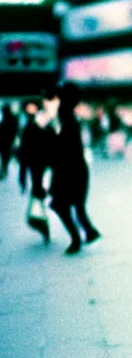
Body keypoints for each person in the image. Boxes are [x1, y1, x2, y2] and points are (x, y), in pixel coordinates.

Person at [47, 84, 102, 254]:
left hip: (69, 172)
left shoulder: (68, 124)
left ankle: (78, 238)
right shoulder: (69, 123)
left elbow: (64, 151)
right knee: (76, 206)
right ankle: (89, 232)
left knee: (61, 205)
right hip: (75, 171)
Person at [18, 100, 51, 242]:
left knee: (38, 193)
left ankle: (42, 222)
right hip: (38, 167)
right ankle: (42, 221)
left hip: (42, 167)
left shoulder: (37, 128)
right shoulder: (32, 129)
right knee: (38, 193)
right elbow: (25, 153)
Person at [0, 103, 19, 180]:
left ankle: (4, 170)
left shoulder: (6, 118)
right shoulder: (12, 118)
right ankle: (5, 170)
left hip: (5, 141)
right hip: (8, 141)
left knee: (5, 156)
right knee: (6, 156)